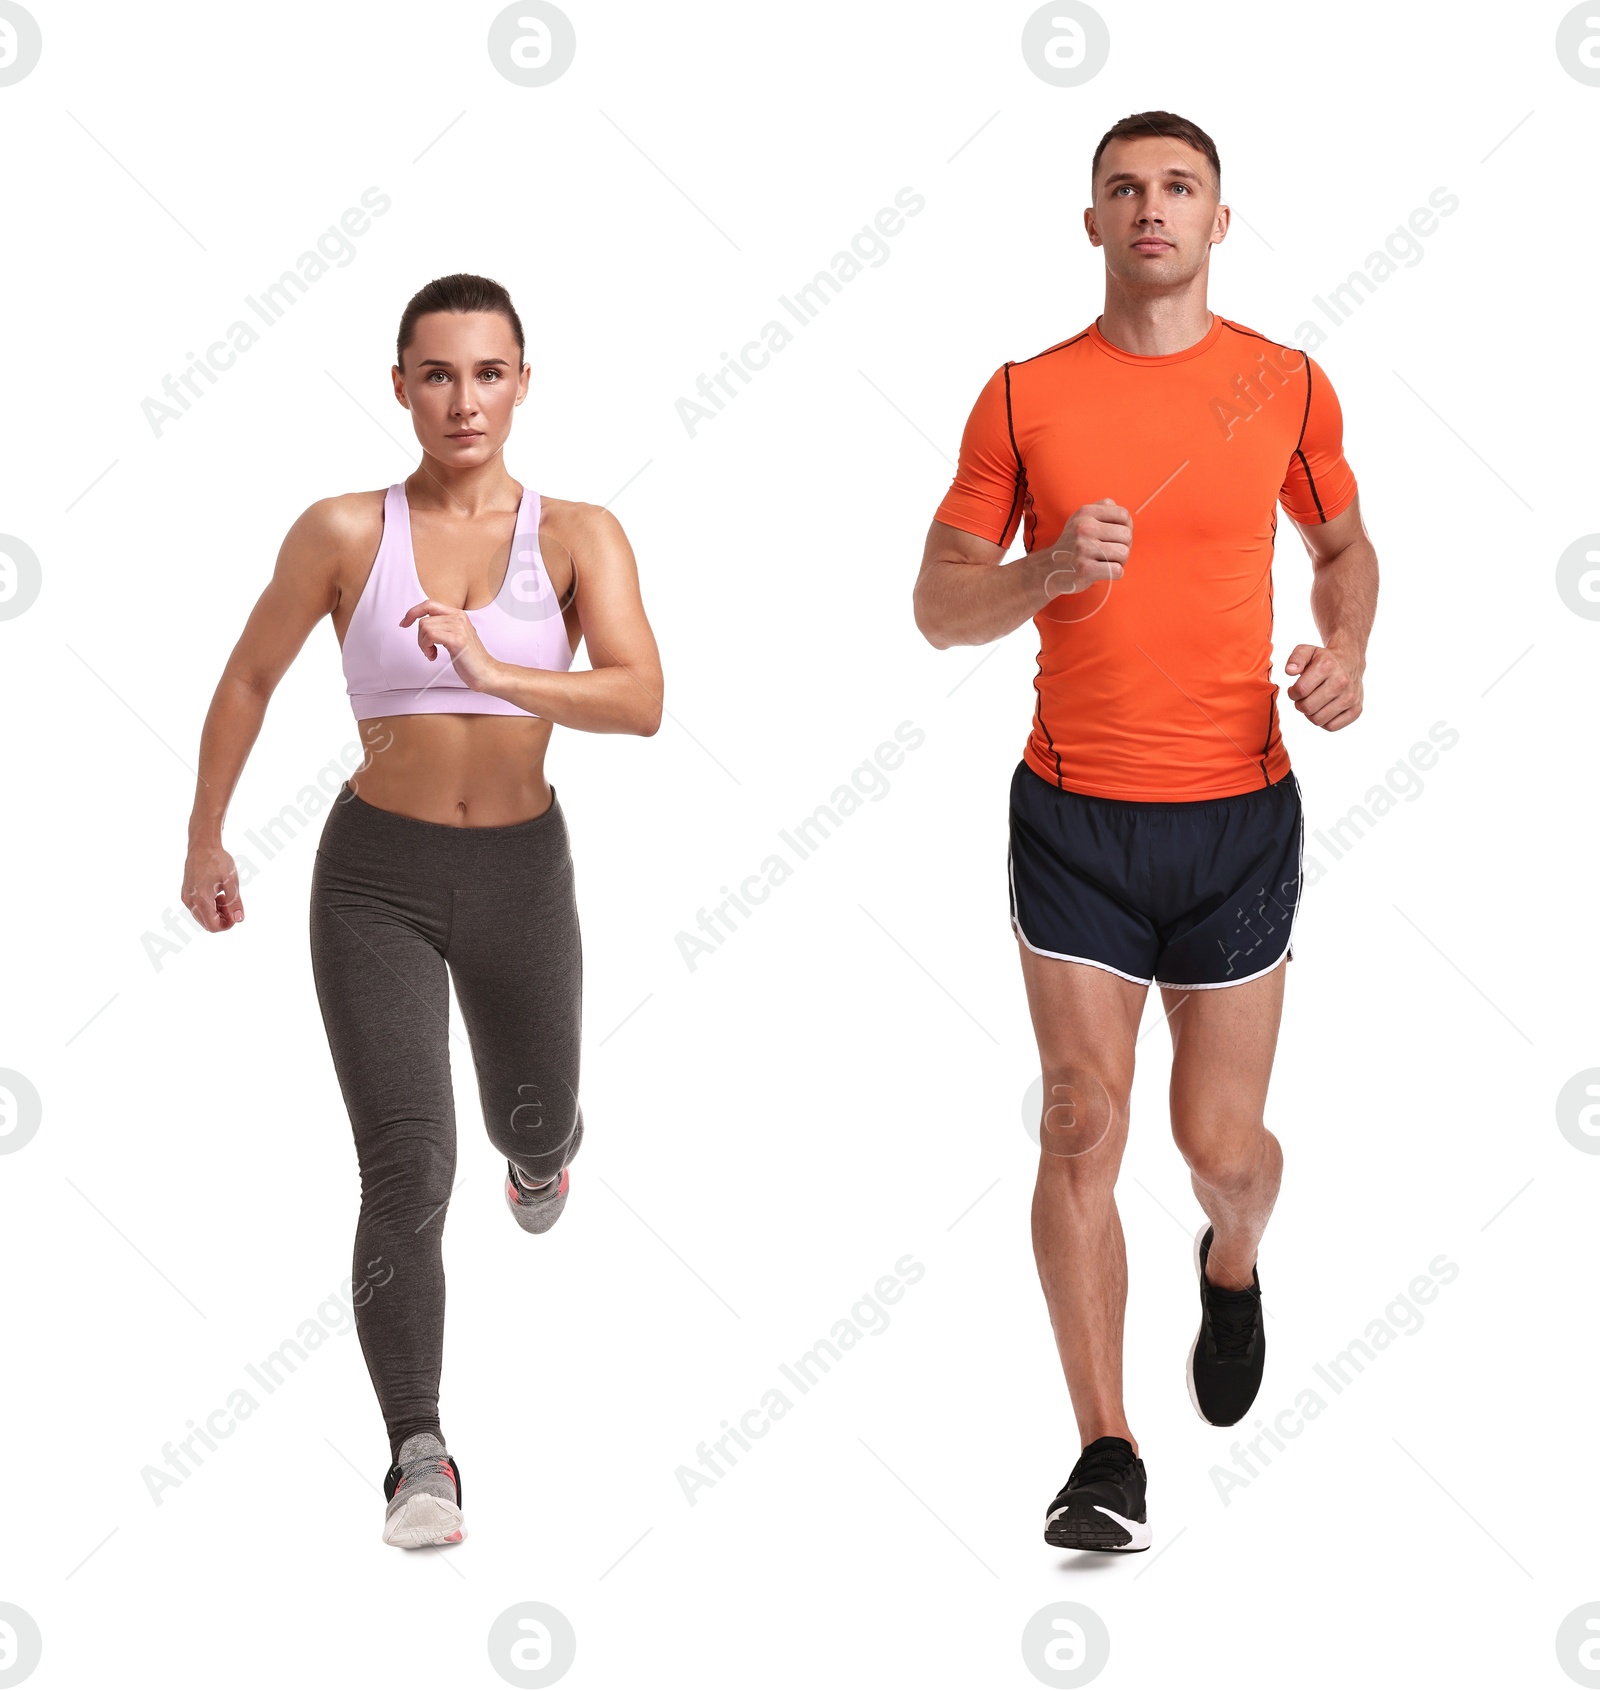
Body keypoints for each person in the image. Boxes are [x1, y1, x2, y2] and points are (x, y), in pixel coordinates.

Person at [912, 112, 1377, 1553]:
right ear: (1093, 222)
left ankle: (1232, 1258)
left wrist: (1343, 649)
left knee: (1218, 1142)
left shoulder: (1286, 385)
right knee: (1078, 1119)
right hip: (1076, 820)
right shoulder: (1022, 398)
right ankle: (1105, 1447)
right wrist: (1046, 566)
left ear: (1220, 221)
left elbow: (1345, 550)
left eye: (1180, 187)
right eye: (1126, 187)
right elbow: (939, 602)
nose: (1152, 207)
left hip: (1236, 817)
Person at [180, 273, 663, 1548]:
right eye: (437, 374)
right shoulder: (344, 528)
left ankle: (545, 1149)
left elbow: (641, 697)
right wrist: (205, 834)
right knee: (407, 1160)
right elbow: (248, 674)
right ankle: (418, 1450)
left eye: (488, 372)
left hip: (520, 872)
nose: (463, 399)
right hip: (373, 877)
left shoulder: (580, 534)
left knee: (533, 1118)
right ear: (399, 385)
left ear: (522, 382)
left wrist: (499, 667)